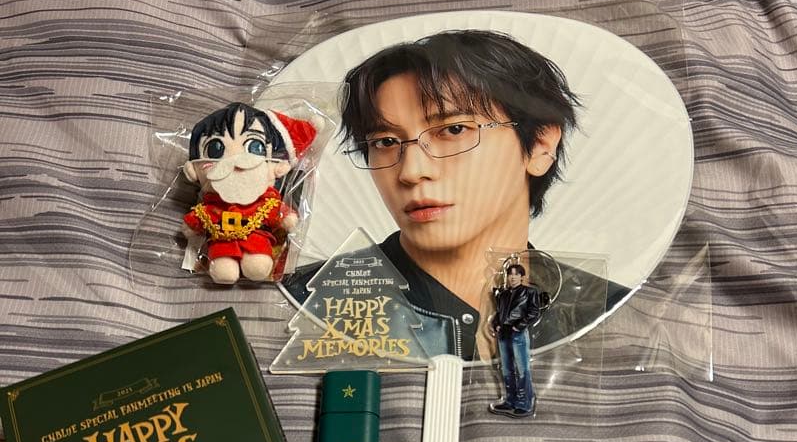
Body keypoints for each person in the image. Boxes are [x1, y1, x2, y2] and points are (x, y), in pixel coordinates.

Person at [283, 30, 627, 358]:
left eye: (454, 129)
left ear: (540, 145)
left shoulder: (610, 313)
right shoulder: (306, 300)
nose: (411, 171)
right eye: (385, 142)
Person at [183, 102, 316, 284]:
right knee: (223, 271)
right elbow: (197, 219)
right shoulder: (211, 206)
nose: (236, 161)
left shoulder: (266, 202)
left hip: (256, 239)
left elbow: (279, 214)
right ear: (193, 170)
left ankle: (254, 262)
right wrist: (191, 226)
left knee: (258, 266)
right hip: (221, 241)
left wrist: (287, 218)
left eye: (255, 146)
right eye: (215, 148)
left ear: (279, 166)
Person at [488, 263, 548, 418]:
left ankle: (524, 403)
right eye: (510, 274)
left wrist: (518, 326)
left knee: (522, 369)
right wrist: (496, 325)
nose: (513, 277)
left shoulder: (530, 292)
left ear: (522, 277)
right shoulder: (503, 294)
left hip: (518, 333)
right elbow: (499, 312)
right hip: (503, 333)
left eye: (516, 274)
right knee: (507, 369)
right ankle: (510, 400)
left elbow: (534, 312)